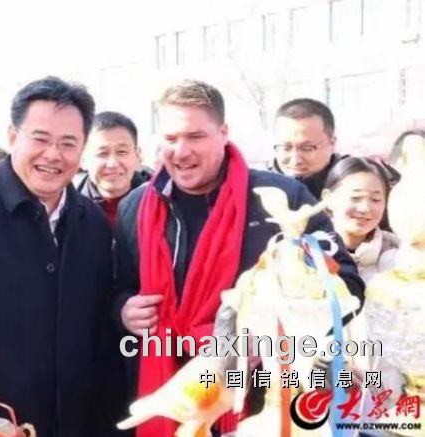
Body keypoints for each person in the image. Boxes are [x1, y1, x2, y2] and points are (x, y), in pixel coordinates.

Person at [114, 80, 364, 437]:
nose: (181, 151)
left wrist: (279, 319)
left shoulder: (281, 198)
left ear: (223, 133)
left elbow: (348, 284)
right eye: (170, 138)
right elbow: (118, 288)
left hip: (261, 396)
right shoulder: (136, 207)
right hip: (165, 383)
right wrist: (124, 310)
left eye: (195, 136)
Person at [0, 76, 127, 437]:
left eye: (68, 143)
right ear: (13, 137)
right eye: (40, 139)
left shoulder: (92, 220)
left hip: (78, 418)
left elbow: (99, 325)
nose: (53, 155)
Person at [322, 157, 399, 283]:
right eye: (356, 197)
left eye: (375, 199)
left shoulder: (402, 254)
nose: (365, 208)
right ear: (328, 198)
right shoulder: (308, 251)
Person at [76, 111, 151, 227]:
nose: (112, 164)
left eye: (122, 152)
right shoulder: (66, 210)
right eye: (102, 153)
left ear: (138, 155)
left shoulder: (161, 203)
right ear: (82, 159)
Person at [270, 98, 343, 199]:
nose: (296, 160)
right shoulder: (257, 189)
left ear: (332, 144)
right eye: (286, 148)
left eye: (306, 148)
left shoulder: (354, 188)